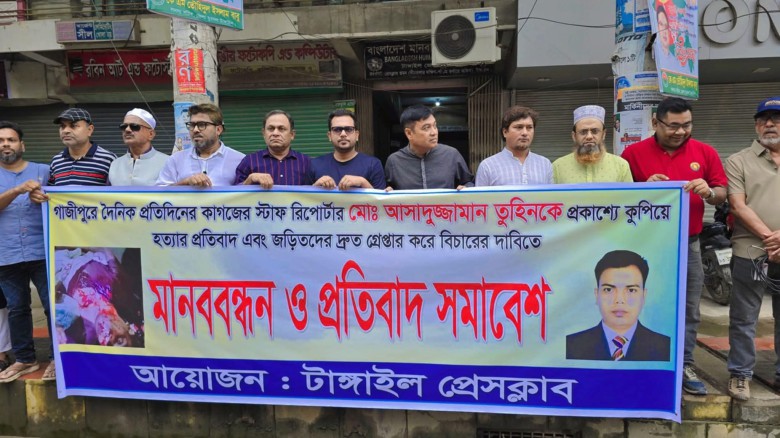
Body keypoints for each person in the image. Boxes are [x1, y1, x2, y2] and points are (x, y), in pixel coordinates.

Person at [621, 97, 727, 395]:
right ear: (655, 123)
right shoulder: (633, 154)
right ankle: (640, 363)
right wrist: (642, 189)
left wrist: (709, 192)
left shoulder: (705, 152)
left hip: (689, 244)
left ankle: (685, 364)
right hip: (647, 246)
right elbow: (620, 198)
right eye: (673, 126)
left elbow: (721, 192)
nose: (680, 132)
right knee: (643, 305)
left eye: (686, 125)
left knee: (688, 307)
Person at [724, 96, 780, 401]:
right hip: (751, 250)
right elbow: (737, 204)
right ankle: (740, 374)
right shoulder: (739, 160)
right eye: (763, 119)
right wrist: (770, 238)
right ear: (756, 125)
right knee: (744, 316)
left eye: (776, 119)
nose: (769, 124)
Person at [0, 121, 55, 382]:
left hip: (42, 250)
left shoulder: (44, 171)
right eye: (1, 141)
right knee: (17, 308)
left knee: (53, 306)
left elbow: (62, 200)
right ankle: (25, 359)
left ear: (22, 144)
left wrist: (44, 198)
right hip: (6, 253)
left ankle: (57, 358)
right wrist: (16, 190)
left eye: (11, 140)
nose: (5, 144)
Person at [566, 250, 670, 361]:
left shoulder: (665, 347)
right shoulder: (571, 345)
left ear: (643, 296)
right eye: (608, 289)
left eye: (631, 290)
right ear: (597, 295)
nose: (619, 300)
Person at [385, 105, 473, 190]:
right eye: (426, 128)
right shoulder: (394, 161)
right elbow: (387, 190)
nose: (434, 132)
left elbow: (469, 182)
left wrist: (466, 188)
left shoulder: (451, 155)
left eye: (435, 126)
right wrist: (389, 192)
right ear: (409, 133)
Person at [156, 103, 244, 187]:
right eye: (192, 125)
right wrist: (185, 183)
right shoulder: (176, 160)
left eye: (202, 125)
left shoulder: (239, 160)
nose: (195, 130)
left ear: (218, 130)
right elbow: (159, 192)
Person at [552, 105, 633, 183]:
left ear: (603, 134)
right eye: (583, 132)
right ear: (574, 136)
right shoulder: (558, 167)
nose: (589, 136)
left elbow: (629, 193)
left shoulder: (621, 166)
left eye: (595, 131)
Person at [475, 105, 552, 186]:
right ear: (505, 132)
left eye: (529, 127)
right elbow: (480, 194)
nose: (525, 133)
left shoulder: (545, 164)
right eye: (519, 127)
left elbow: (551, 194)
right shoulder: (488, 166)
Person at [234, 109, 312, 188]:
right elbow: (234, 192)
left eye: (281, 129)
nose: (275, 133)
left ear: (292, 135)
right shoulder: (249, 161)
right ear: (264, 133)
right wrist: (250, 180)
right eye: (271, 128)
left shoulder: (306, 163)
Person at [310, 109, 386, 190]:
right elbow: (303, 196)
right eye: (337, 129)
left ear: (357, 135)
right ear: (329, 136)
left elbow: (380, 197)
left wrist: (363, 182)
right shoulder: (315, 165)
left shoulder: (373, 165)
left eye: (349, 129)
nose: (343, 134)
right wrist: (315, 186)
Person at [49, 108, 116, 186]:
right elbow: (50, 191)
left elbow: (117, 191)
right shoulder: (56, 161)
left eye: (73, 126)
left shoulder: (108, 159)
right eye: (62, 126)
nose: (65, 131)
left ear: (89, 130)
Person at [108, 108, 169, 186]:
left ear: (151, 134)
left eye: (134, 126)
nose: (127, 130)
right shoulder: (115, 164)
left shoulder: (167, 163)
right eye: (124, 126)